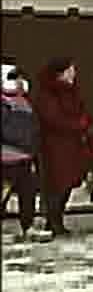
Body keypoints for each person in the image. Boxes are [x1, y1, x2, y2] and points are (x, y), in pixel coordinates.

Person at [35, 57, 91, 238]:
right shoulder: (48, 93)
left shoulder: (72, 92)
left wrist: (82, 122)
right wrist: (77, 124)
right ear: (61, 72)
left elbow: (81, 111)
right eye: (70, 70)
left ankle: (57, 220)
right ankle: (53, 221)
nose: (73, 73)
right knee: (57, 185)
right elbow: (52, 119)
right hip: (55, 146)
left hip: (72, 145)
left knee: (67, 185)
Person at [2, 63, 50, 240]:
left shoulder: (26, 103)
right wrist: (20, 140)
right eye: (15, 78)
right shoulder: (4, 103)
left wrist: (33, 145)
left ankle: (27, 225)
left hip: (25, 158)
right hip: (6, 159)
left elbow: (33, 127)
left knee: (28, 192)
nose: (20, 82)